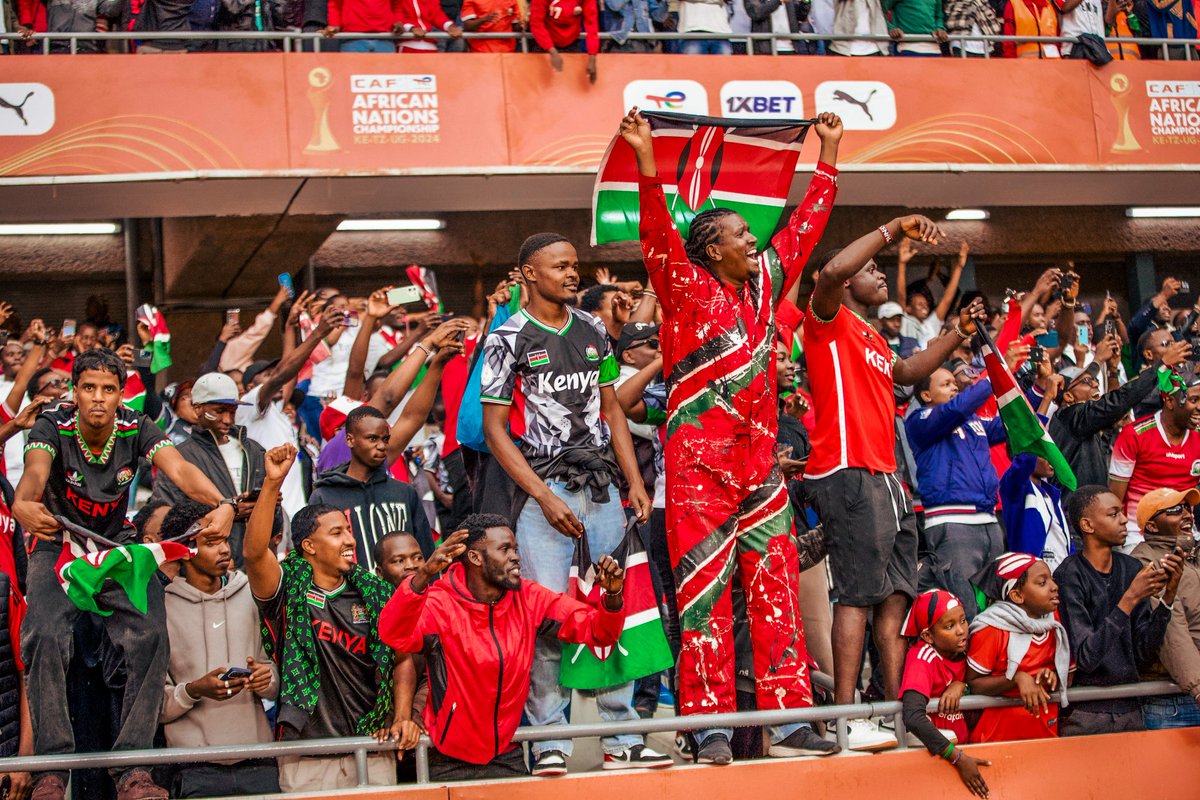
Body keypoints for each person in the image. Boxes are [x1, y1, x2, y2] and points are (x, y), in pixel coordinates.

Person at [624, 107, 845, 762]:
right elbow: (657, 231)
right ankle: (710, 728)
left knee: (774, 591)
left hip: (760, 473)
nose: (755, 241)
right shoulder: (684, 286)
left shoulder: (768, 283)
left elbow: (806, 226)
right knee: (704, 600)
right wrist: (644, 161)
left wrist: (828, 154)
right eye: (741, 235)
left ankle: (791, 715)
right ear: (710, 249)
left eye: (753, 235)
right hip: (696, 478)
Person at [480, 231, 670, 775]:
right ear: (529, 275)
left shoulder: (591, 327)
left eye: (575, 266)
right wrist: (542, 497)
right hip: (545, 492)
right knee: (544, 615)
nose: (573, 274)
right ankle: (548, 740)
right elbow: (495, 431)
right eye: (561, 266)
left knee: (615, 607)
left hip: (604, 488)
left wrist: (635, 480)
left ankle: (619, 734)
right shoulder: (508, 337)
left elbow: (613, 409)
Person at [12, 348, 236, 800]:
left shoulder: (137, 426)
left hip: (117, 547)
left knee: (151, 635)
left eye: (108, 389)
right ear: (75, 392)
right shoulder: (52, 423)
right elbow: (34, 476)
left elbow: (181, 469)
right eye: (89, 388)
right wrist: (22, 503)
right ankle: (51, 771)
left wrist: (224, 503)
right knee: (45, 634)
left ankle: (134, 769)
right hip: (60, 546)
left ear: (121, 395)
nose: (98, 398)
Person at [802, 211, 986, 749]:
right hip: (847, 470)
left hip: (888, 477)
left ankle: (894, 711)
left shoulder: (872, 337)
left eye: (882, 268)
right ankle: (844, 718)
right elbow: (834, 269)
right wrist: (893, 228)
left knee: (895, 599)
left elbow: (907, 374)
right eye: (873, 269)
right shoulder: (827, 317)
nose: (879, 274)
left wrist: (957, 334)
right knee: (856, 598)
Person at [380, 514, 641, 779]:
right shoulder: (440, 603)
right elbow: (393, 635)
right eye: (504, 550)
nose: (516, 556)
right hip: (446, 758)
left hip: (506, 753)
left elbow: (599, 632)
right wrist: (423, 575)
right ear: (475, 558)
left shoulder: (528, 598)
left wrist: (613, 597)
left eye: (515, 549)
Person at [244, 444, 399, 792]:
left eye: (347, 530)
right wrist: (272, 484)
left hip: (371, 746)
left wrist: (396, 714)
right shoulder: (288, 589)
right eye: (336, 533)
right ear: (309, 546)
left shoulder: (374, 592)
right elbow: (254, 555)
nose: (350, 539)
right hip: (307, 754)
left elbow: (404, 659)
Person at [159, 501, 280, 798]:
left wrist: (267, 680)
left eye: (225, 539)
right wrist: (195, 690)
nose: (224, 549)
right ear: (184, 550)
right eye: (211, 542)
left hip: (259, 762)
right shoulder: (160, 607)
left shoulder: (252, 593)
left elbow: (276, 676)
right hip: (193, 769)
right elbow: (151, 705)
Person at [1054, 485, 1178, 734]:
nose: (1124, 520)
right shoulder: (1069, 575)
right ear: (1087, 525)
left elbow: (1143, 651)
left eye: (1122, 513)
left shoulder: (1130, 567)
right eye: (1113, 514)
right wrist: (1130, 598)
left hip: (1131, 706)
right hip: (1086, 712)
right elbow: (1086, 657)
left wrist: (1168, 597)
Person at [236, 302, 347, 518]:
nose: (274, 377)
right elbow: (283, 374)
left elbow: (287, 372)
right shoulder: (250, 405)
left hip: (295, 513)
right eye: (266, 375)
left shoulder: (276, 409)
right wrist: (319, 333)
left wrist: (290, 329)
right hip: (272, 516)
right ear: (251, 386)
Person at [152, 373, 271, 567]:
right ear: (197, 408)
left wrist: (269, 500)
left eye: (232, 412)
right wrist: (228, 510)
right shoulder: (179, 457)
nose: (227, 419)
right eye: (219, 411)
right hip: (203, 568)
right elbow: (167, 516)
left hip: (252, 565)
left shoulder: (254, 450)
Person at [1048, 337, 1190, 498]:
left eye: (1095, 380)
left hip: (1090, 510)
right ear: (1068, 396)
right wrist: (1161, 365)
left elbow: (1114, 410)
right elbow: (1116, 402)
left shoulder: (1084, 424)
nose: (1095, 384)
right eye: (1087, 381)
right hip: (1074, 514)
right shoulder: (1071, 416)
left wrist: (1112, 370)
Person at [905, 366, 1007, 582]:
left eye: (954, 383)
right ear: (926, 395)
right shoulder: (919, 420)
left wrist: (1040, 392)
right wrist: (992, 378)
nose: (955, 387)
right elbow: (957, 409)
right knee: (965, 605)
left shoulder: (971, 421)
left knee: (993, 604)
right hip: (952, 521)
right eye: (946, 384)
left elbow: (1012, 425)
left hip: (988, 518)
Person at [309, 406, 436, 571]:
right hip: (349, 595)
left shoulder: (404, 493)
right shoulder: (325, 496)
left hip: (403, 594)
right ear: (350, 440)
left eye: (385, 439)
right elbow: (317, 558)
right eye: (372, 438)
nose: (382, 446)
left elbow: (425, 554)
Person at [967, 553, 1072, 742]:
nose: (1054, 587)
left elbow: (1068, 677)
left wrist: (1052, 677)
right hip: (997, 738)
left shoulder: (1055, 621)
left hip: (1044, 735)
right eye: (1042, 583)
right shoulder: (992, 628)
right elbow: (973, 683)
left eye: (1052, 580)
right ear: (1017, 595)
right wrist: (1017, 679)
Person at [899, 590, 991, 799]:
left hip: (964, 752)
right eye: (950, 626)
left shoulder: (967, 651)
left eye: (963, 621)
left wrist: (962, 685)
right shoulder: (922, 658)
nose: (961, 631)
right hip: (935, 760)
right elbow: (913, 716)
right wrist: (957, 757)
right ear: (928, 636)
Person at [1131, 488, 1200, 729]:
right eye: (1175, 510)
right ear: (1151, 526)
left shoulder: (1193, 556)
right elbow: (1173, 631)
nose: (1187, 515)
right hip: (1174, 702)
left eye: (1188, 509)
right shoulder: (1147, 562)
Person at [1108, 374, 1200, 552]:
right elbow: (1114, 498)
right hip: (1138, 536)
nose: (1199, 407)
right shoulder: (1135, 434)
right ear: (1170, 401)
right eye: (1194, 400)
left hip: (1186, 534)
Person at [530, 0, 601, 80]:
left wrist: (592, 58)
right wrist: (552, 51)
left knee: (571, 84)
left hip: (572, 43)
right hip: (544, 44)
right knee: (541, 84)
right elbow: (536, 23)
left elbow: (591, 23)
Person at [883, 0, 948, 55]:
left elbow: (939, 16)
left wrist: (939, 28)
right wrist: (891, 28)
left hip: (934, 48)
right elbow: (881, 12)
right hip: (906, 47)